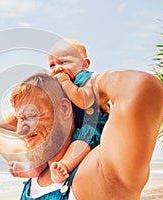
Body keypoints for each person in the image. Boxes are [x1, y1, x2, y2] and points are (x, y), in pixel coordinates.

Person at [0, 71, 163, 199]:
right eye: (19, 119)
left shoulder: (98, 172)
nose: (20, 130)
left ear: (65, 108)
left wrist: (87, 83)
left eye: (32, 115)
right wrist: (43, 88)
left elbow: (144, 88)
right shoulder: (35, 172)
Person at [47, 38, 109, 183]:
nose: (57, 68)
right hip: (77, 127)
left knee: (83, 139)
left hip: (94, 125)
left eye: (64, 62)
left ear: (84, 64)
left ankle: (64, 166)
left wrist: (65, 82)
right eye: (52, 65)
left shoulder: (85, 78)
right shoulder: (62, 84)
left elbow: (84, 100)